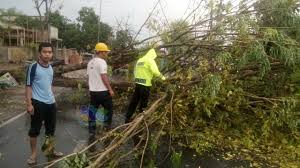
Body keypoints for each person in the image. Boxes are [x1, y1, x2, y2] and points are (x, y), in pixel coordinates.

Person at [25, 42, 63, 165]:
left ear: (52, 54)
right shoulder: (33, 67)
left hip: (50, 103)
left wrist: (53, 99)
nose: (47, 54)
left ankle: (50, 150)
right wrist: (29, 104)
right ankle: (33, 154)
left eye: (50, 52)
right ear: (40, 53)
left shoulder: (51, 68)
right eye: (44, 52)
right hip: (38, 102)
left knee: (50, 130)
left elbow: (49, 85)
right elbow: (28, 86)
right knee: (35, 130)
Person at [125, 48, 166, 123]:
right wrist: (163, 78)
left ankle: (127, 118)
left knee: (134, 102)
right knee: (143, 104)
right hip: (145, 85)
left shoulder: (140, 60)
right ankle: (141, 120)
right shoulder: (150, 60)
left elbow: (135, 70)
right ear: (153, 55)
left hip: (138, 84)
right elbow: (155, 71)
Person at [87, 42, 114, 140]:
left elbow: (89, 77)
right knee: (109, 110)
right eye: (106, 52)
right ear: (101, 52)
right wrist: (110, 89)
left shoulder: (90, 62)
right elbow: (104, 77)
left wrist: (90, 89)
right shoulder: (102, 62)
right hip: (103, 92)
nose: (106, 54)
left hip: (93, 92)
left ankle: (91, 131)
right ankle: (107, 129)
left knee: (92, 112)